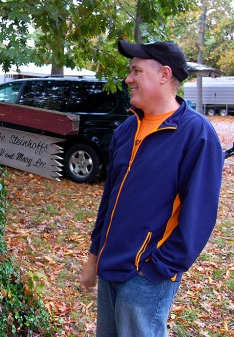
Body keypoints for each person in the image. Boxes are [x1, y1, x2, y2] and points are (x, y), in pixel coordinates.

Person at [80, 40, 224, 336]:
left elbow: (199, 217)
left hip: (146, 277)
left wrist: (156, 270)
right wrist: (95, 255)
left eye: (136, 71)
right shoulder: (126, 129)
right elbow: (110, 199)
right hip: (110, 266)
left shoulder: (197, 135)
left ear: (164, 74)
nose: (127, 79)